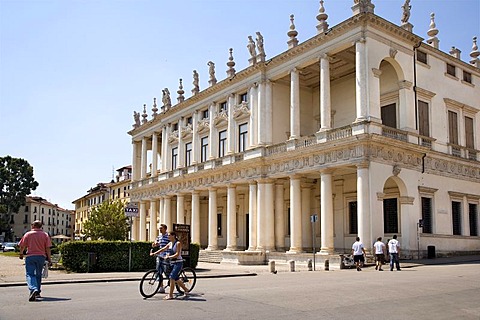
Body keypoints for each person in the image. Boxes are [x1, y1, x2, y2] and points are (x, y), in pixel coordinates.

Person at [18, 220, 52, 302]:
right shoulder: (45, 235)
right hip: (41, 257)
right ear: (41, 226)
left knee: (30, 274)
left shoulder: (28, 234)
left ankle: (33, 289)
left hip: (30, 256)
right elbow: (48, 248)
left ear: (33, 226)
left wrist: (21, 254)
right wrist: (49, 259)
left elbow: (22, 246)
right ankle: (37, 292)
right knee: (38, 274)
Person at [151, 231, 190, 300]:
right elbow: (163, 249)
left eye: (169, 235)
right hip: (171, 263)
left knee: (172, 277)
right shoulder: (170, 243)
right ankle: (186, 289)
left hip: (178, 263)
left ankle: (170, 295)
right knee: (176, 278)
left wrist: (169, 257)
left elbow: (178, 254)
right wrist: (154, 253)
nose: (168, 236)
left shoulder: (178, 243)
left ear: (173, 236)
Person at [151, 224, 169, 293]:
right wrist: (155, 243)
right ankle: (161, 287)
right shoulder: (159, 236)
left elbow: (170, 245)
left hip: (166, 256)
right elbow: (156, 242)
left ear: (165, 229)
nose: (160, 229)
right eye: (159, 228)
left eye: (161, 228)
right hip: (160, 256)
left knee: (167, 272)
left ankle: (177, 281)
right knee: (158, 272)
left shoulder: (168, 236)